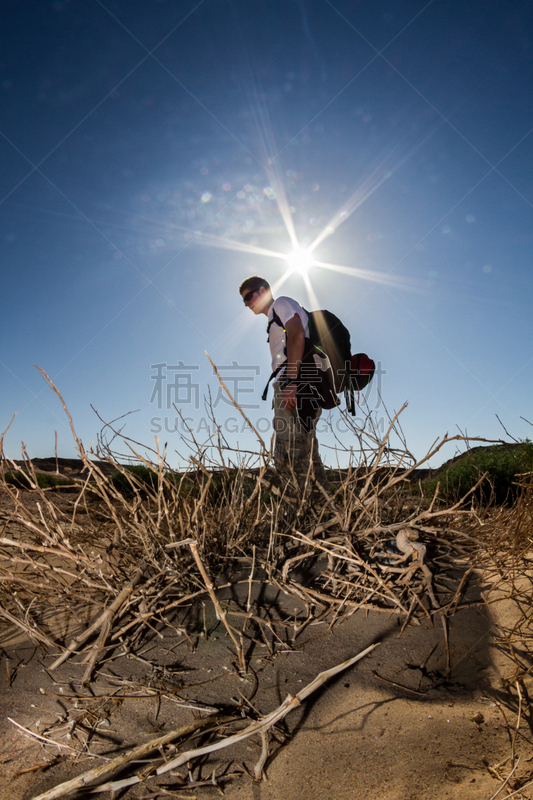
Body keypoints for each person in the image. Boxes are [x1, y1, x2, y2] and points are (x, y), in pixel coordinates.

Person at [239, 275, 327, 486]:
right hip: (298, 382)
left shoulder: (281, 303)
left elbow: (296, 334)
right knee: (306, 451)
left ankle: (297, 512)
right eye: (244, 301)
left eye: (249, 296)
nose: (247, 303)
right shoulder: (274, 318)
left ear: (262, 291)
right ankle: (323, 509)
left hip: (295, 381)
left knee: (288, 454)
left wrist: (291, 383)